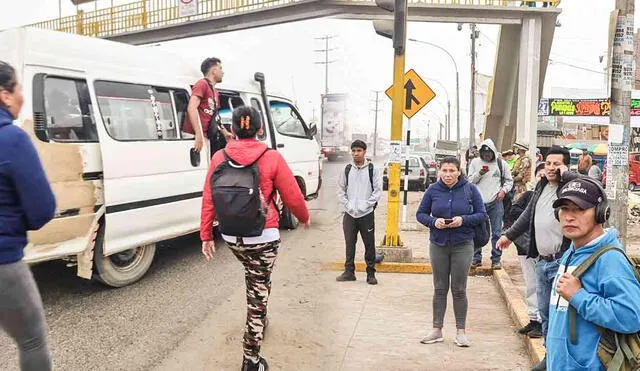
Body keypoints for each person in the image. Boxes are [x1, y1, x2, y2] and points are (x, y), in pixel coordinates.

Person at [200, 106, 310, 371]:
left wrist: (206, 235)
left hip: (231, 235)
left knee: (255, 280)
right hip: (263, 235)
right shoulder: (271, 157)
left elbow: (208, 197)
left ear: (234, 129)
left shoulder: (219, 156)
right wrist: (304, 217)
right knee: (257, 294)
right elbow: (293, 195)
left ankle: (260, 310)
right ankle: (251, 360)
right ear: (260, 129)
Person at [497, 145, 579, 371]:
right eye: (548, 164)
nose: (551, 168)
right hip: (543, 261)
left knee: (561, 314)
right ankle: (550, 355)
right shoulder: (541, 186)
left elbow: (591, 188)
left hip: (562, 262)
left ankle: (559, 359)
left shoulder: (571, 188)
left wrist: (567, 175)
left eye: (557, 164)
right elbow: (528, 215)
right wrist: (510, 236)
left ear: (565, 166)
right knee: (545, 313)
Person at [548, 178, 640, 370]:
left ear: (600, 213)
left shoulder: (610, 260)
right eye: (564, 208)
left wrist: (579, 296)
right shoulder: (571, 253)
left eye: (579, 209)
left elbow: (631, 316)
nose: (569, 217)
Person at [0, 61, 56, 371]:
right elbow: (42, 210)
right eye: (19, 87)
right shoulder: (12, 139)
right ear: (5, 96)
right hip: (4, 262)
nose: (22, 94)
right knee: (31, 341)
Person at [416, 157, 487, 347]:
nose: (448, 175)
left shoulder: (470, 189)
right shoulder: (433, 190)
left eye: (452, 171)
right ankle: (436, 330)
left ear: (459, 171)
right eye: (444, 171)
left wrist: (462, 220)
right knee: (439, 288)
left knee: (459, 288)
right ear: (439, 171)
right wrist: (433, 222)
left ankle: (461, 332)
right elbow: (420, 214)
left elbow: (481, 214)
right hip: (438, 243)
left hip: (463, 244)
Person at [335, 140, 382, 285]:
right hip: (349, 214)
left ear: (364, 152)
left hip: (366, 214)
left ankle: (370, 273)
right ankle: (349, 272)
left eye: (359, 151)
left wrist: (365, 206)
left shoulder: (372, 169)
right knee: (350, 244)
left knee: (369, 244)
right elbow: (341, 189)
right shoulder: (347, 169)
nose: (356, 153)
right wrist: (348, 205)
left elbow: (377, 191)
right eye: (353, 150)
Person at [508, 162, 546, 339]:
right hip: (525, 249)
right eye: (540, 175)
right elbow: (513, 215)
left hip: (545, 252)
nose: (543, 178)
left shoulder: (556, 199)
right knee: (531, 285)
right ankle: (533, 319)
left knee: (543, 287)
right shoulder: (527, 197)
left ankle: (542, 322)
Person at [467, 139, 514, 270]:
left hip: (496, 202)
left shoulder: (501, 163)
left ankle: (496, 259)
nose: (487, 156)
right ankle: (476, 258)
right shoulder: (475, 163)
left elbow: (509, 181)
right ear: (481, 153)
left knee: (497, 232)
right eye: (484, 153)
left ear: (493, 152)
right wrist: (480, 173)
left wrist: (503, 191)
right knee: (477, 231)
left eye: (489, 153)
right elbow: (470, 181)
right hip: (478, 203)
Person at [184, 57, 233, 156]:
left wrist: (225, 132)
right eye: (220, 68)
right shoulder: (202, 84)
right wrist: (198, 133)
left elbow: (215, 116)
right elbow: (192, 107)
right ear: (214, 71)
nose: (223, 72)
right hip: (193, 135)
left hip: (205, 135)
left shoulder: (215, 92)